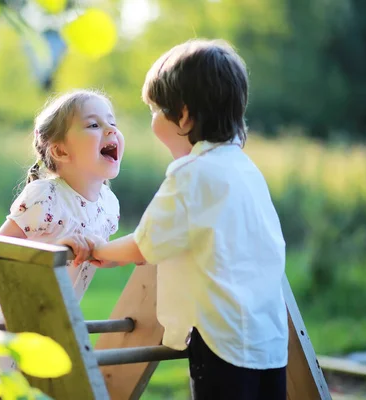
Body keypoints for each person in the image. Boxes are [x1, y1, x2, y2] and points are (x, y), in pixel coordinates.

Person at [85, 39, 288, 400]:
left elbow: (145, 243)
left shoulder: (191, 175)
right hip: (267, 338)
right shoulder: (245, 169)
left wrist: (100, 249)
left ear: (183, 116)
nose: (152, 118)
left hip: (220, 340)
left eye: (155, 109)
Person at [0, 89, 123, 390]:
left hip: (56, 318)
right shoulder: (45, 197)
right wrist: (55, 251)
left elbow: (102, 256)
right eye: (93, 124)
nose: (111, 129)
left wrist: (127, 252)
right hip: (10, 314)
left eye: (111, 122)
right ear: (61, 151)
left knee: (35, 390)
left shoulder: (108, 205)